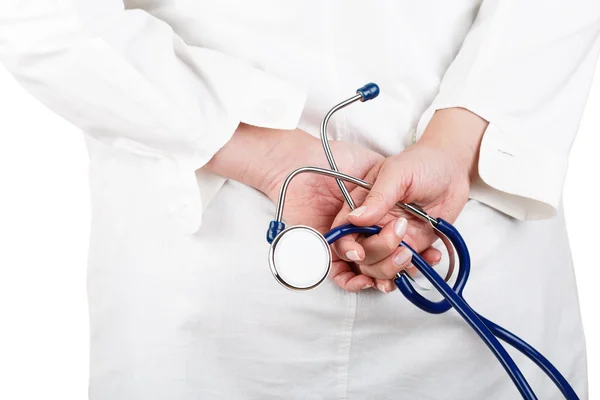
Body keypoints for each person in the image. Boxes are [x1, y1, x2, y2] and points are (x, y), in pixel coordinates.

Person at [1, 1, 598, 398]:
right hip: (209, 289)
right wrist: (268, 156)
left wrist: (457, 139)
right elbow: (44, 18)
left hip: (474, 249)